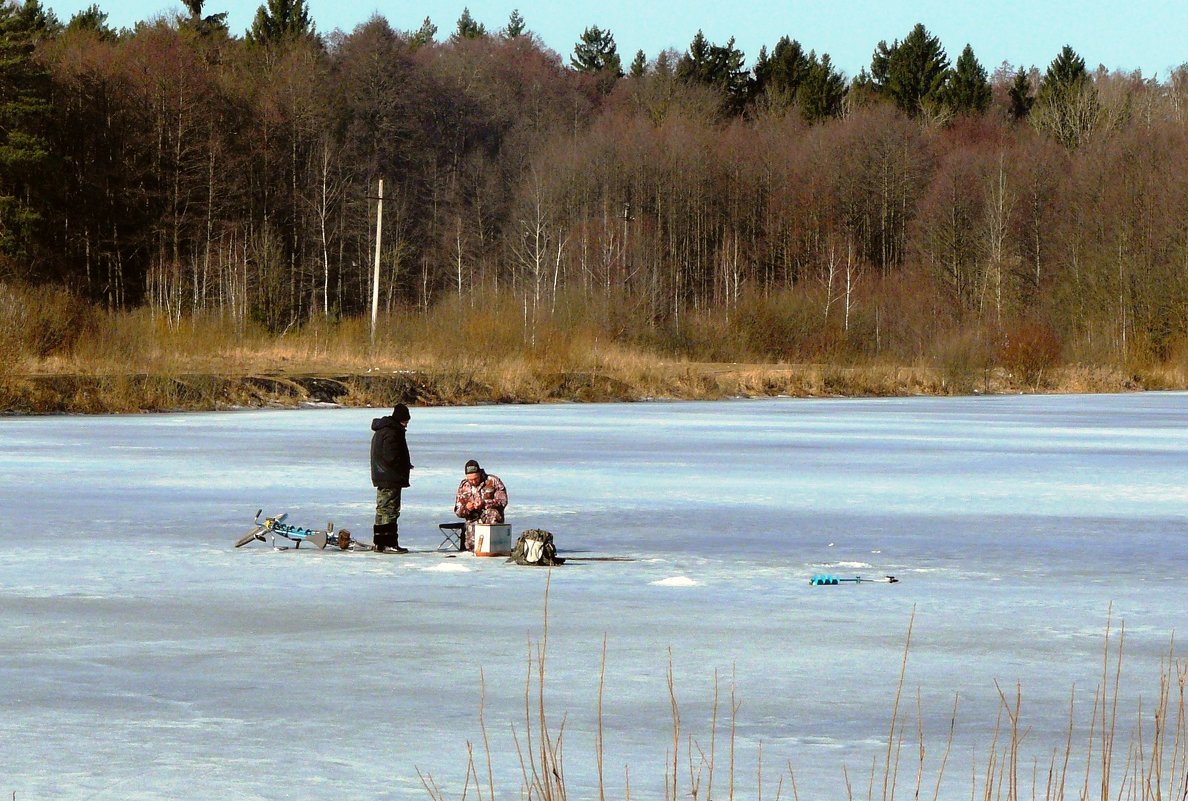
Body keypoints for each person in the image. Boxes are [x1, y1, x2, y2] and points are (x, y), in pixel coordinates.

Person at [370, 403, 413, 553]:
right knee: (390, 510)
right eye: (406, 420)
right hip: (391, 477)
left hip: (382, 476)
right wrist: (403, 466)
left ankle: (379, 543)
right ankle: (389, 543)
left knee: (382, 510)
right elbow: (392, 456)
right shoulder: (393, 432)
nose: (407, 424)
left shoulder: (381, 430)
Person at [453, 459, 508, 551]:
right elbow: (458, 511)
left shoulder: (493, 481)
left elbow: (503, 501)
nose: (473, 482)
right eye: (470, 480)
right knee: (472, 551)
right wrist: (467, 508)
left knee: (491, 513)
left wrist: (484, 503)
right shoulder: (464, 486)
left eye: (476, 479)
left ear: (480, 473)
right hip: (472, 529)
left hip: (492, 528)